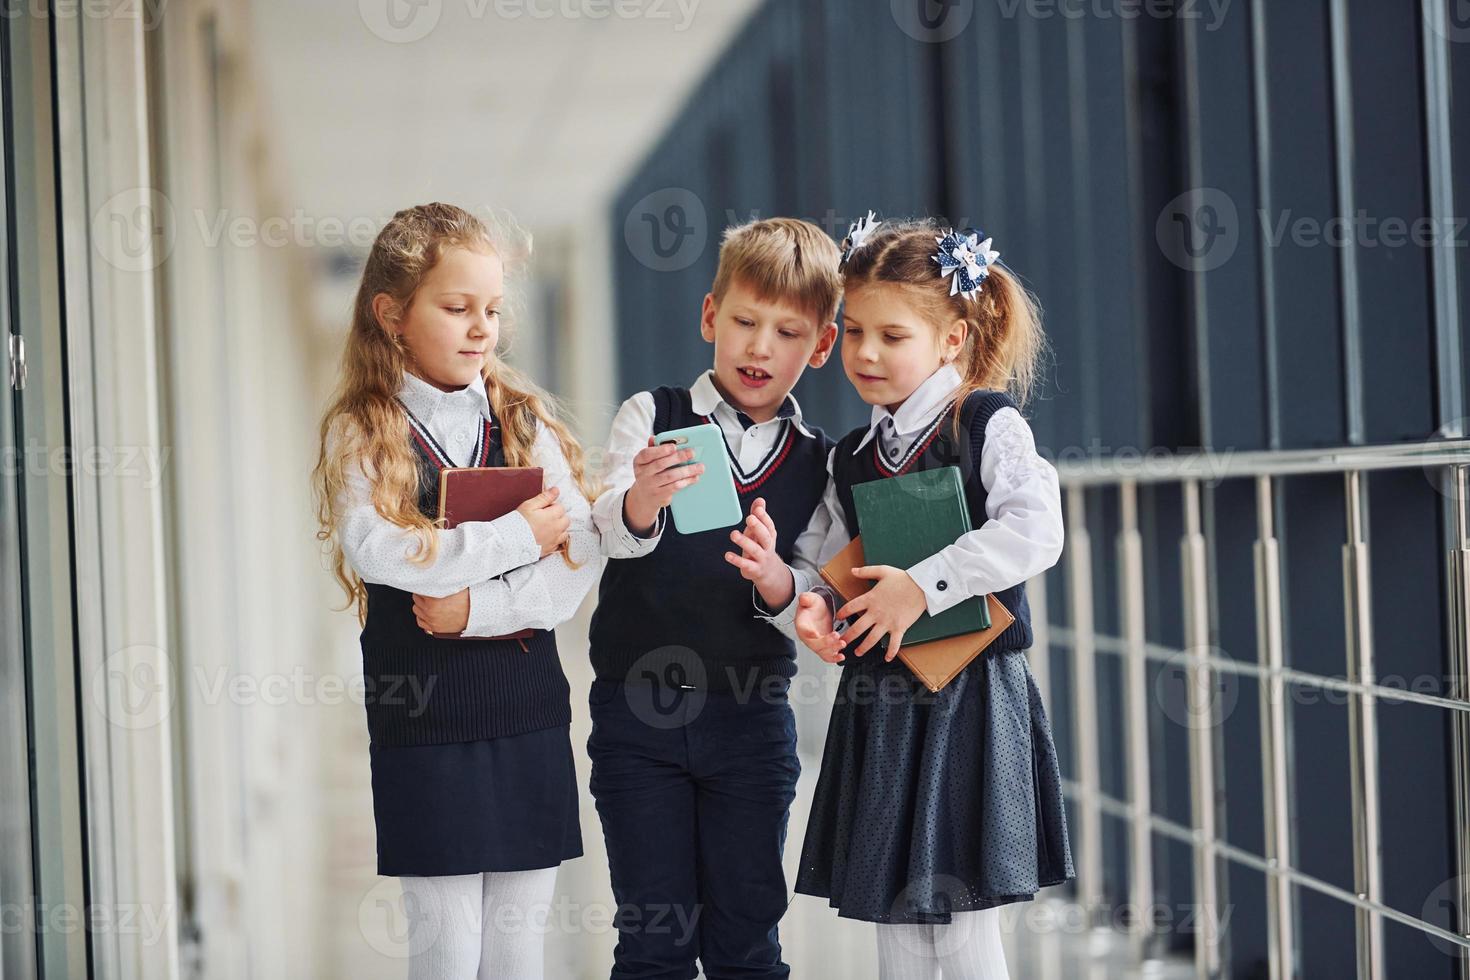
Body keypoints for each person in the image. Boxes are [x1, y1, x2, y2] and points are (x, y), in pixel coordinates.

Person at [734, 216, 1075, 979]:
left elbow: (1035, 529)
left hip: (970, 695)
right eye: (852, 332)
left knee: (960, 928)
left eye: (891, 336)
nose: (864, 354)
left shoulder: (986, 423)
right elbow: (824, 559)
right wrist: (805, 600)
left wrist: (922, 586)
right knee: (894, 921)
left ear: (952, 339)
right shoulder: (852, 455)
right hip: (884, 695)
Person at [312, 202, 602, 980]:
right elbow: (387, 553)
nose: (483, 328)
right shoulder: (362, 428)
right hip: (424, 719)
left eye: (494, 310)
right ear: (393, 315)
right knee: (447, 956)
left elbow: (580, 557)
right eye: (458, 307)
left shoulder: (523, 419)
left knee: (516, 957)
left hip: (526, 709)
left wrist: (476, 608)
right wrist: (517, 539)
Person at [585, 217, 843, 979]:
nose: (760, 347)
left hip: (752, 720)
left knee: (747, 943)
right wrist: (641, 500)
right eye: (744, 322)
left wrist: (776, 579)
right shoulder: (651, 415)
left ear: (821, 346)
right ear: (710, 318)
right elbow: (604, 523)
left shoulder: (822, 463)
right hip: (637, 715)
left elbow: (816, 586)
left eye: (788, 331)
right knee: (652, 941)